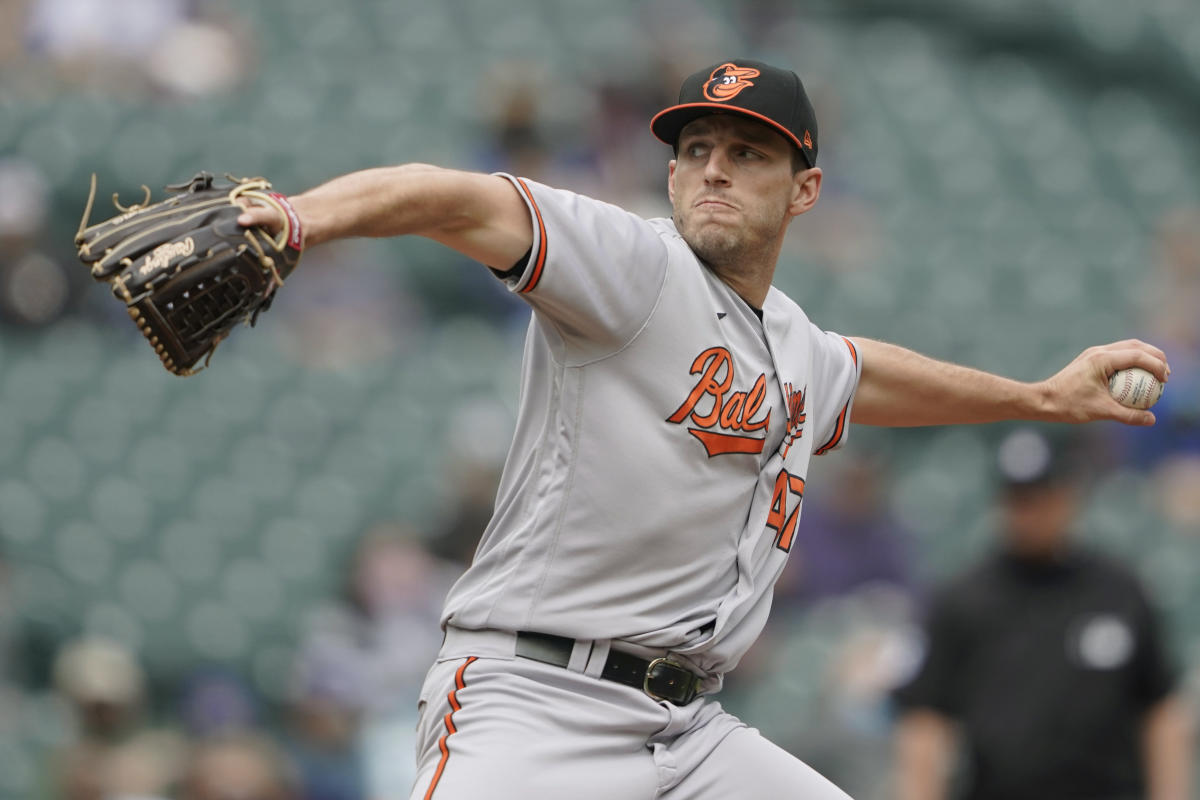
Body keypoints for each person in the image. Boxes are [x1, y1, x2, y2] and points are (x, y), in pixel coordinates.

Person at [238, 59, 1170, 800]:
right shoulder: (633, 267)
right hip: (538, 705)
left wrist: (1040, 397)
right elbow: (459, 200)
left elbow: (865, 375)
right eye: (696, 148)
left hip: (689, 731)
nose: (714, 167)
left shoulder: (794, 343)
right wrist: (300, 217)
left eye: (748, 152)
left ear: (805, 190)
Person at [891, 428, 1193, 800]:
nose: (1029, 512)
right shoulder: (964, 598)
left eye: (1041, 497)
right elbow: (926, 722)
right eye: (1018, 499)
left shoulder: (1119, 591)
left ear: (1069, 495)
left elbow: (1161, 711)